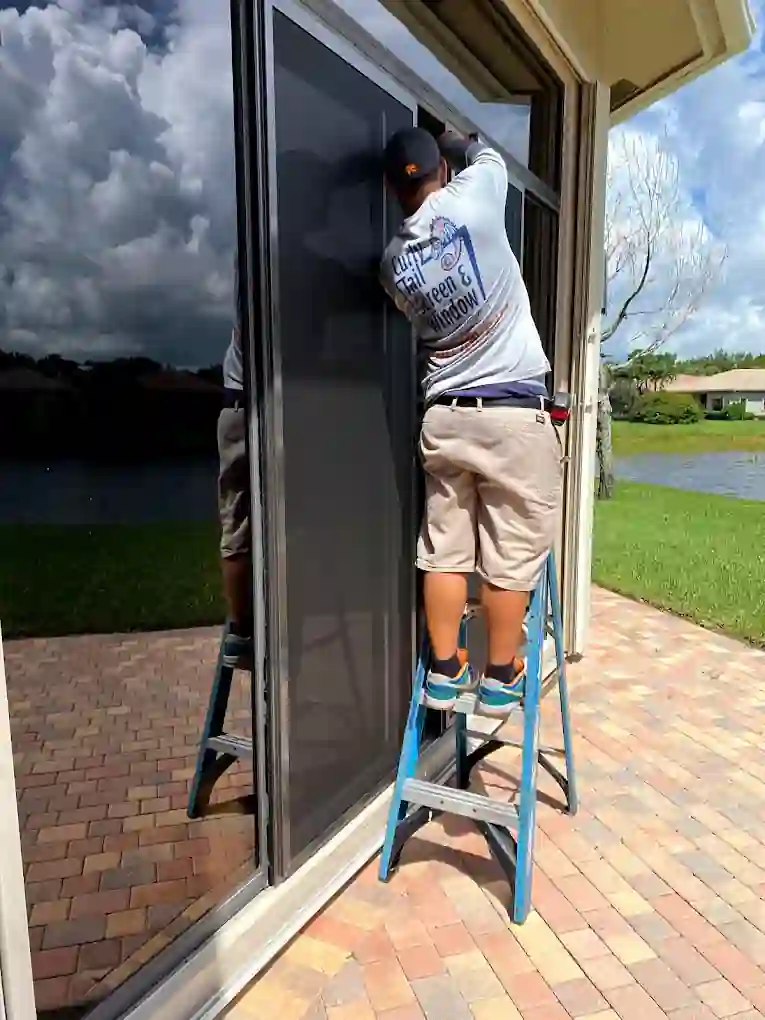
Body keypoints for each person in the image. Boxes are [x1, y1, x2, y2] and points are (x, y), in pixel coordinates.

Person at [379, 127, 562, 717]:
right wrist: (462, 139)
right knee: (510, 553)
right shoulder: (475, 196)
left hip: (446, 420)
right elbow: (488, 155)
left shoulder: (391, 265)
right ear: (441, 170)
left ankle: (444, 667)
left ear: (391, 190)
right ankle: (502, 673)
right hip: (509, 415)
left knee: (445, 549)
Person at [217, 257, 252, 669]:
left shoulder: (252, 242)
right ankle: (244, 632)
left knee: (237, 524)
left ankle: (241, 634)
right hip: (261, 403)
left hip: (237, 402)